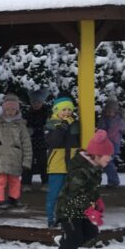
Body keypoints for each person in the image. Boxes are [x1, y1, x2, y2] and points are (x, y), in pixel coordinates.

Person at [53, 130, 114, 249]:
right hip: (68, 209)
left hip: (80, 208)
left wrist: (98, 200)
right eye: (107, 155)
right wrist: (90, 210)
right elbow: (76, 194)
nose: (109, 158)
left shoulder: (95, 168)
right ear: (96, 155)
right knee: (74, 238)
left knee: (91, 233)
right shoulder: (79, 171)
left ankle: (64, 239)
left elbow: (92, 189)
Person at [0, 93, 33, 209]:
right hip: (0, 158)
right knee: (0, 180)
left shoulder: (21, 126)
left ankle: (13, 199)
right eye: (7, 109)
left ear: (17, 110)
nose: (10, 112)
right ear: (4, 110)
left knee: (14, 180)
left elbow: (27, 145)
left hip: (15, 158)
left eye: (13, 109)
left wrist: (27, 161)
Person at [44, 97, 81, 227]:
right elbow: (53, 142)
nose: (67, 112)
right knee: (54, 194)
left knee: (72, 194)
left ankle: (68, 218)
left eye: (69, 109)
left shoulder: (75, 124)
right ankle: (51, 218)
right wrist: (62, 128)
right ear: (56, 110)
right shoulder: (51, 125)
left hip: (72, 165)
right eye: (63, 109)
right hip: (57, 165)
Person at [23, 89, 51, 188]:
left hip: (42, 142)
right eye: (34, 102)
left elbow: (48, 126)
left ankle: (45, 183)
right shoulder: (28, 113)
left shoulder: (46, 112)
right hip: (29, 143)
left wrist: (40, 130)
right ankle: (26, 183)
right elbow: (23, 125)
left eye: (38, 102)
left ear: (42, 102)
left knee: (43, 164)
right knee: (27, 164)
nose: (36, 104)